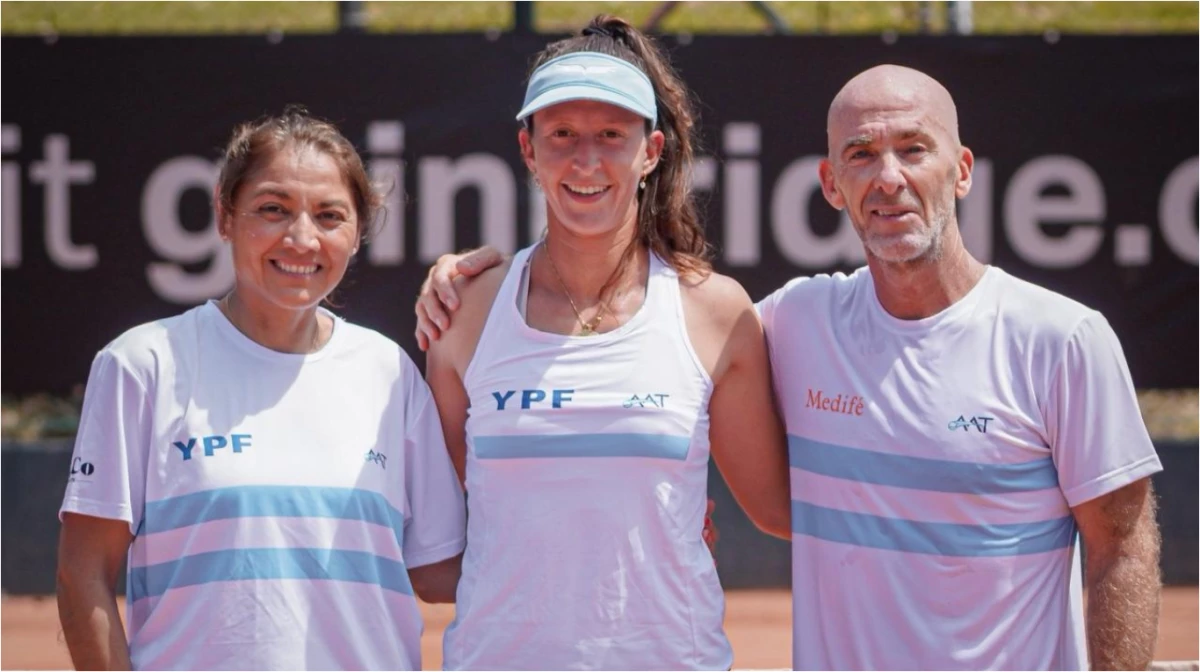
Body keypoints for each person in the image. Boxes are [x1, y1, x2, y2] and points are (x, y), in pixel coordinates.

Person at [415, 65, 1164, 670]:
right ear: (832, 184)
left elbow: (1123, 544)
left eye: (914, 148)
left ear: (962, 170)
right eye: (862, 156)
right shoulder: (789, 319)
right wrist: (458, 275)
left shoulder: (1063, 338)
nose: (890, 177)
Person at [423, 15, 791, 670]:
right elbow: (437, 536)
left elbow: (780, 509)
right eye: (561, 134)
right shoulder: (465, 312)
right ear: (528, 149)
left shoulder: (713, 311)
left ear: (649, 152)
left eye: (610, 136)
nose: (585, 160)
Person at [56, 108, 467, 671]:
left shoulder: (390, 373)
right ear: (224, 215)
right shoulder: (140, 366)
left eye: (330, 216)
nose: (301, 238)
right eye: (273, 209)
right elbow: (83, 575)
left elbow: (443, 570)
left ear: (358, 233)